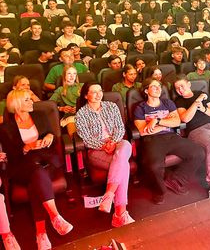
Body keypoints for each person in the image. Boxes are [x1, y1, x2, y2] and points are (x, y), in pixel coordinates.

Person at [0, 90, 73, 249]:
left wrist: (49, 137)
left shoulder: (40, 115)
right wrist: (27, 147)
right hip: (22, 166)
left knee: (37, 180)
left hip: (47, 161)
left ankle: (41, 234)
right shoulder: (6, 127)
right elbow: (11, 155)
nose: (32, 101)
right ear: (17, 104)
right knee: (37, 173)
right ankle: (55, 217)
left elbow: (52, 135)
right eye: (27, 99)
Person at [133, 79, 205, 204]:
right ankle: (159, 191)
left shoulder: (168, 103)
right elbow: (143, 131)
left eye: (159, 86)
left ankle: (175, 180)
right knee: (154, 166)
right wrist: (166, 123)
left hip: (171, 136)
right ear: (146, 91)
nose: (158, 88)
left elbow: (176, 122)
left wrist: (156, 121)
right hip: (152, 140)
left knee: (198, 152)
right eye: (153, 86)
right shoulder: (140, 108)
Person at [75, 82, 135, 227]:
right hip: (96, 150)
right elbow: (86, 139)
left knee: (126, 144)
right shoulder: (81, 114)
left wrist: (113, 142)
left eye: (100, 91)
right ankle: (119, 214)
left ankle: (108, 195)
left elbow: (120, 128)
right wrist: (103, 146)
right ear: (86, 95)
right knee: (124, 166)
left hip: (117, 144)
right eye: (93, 92)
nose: (98, 94)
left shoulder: (111, 106)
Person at [49, 65, 82, 138]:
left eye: (74, 73)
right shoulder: (60, 90)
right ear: (64, 76)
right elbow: (49, 105)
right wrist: (61, 108)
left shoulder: (82, 86)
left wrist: (79, 107)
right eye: (69, 73)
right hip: (71, 116)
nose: (72, 76)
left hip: (84, 112)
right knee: (74, 136)